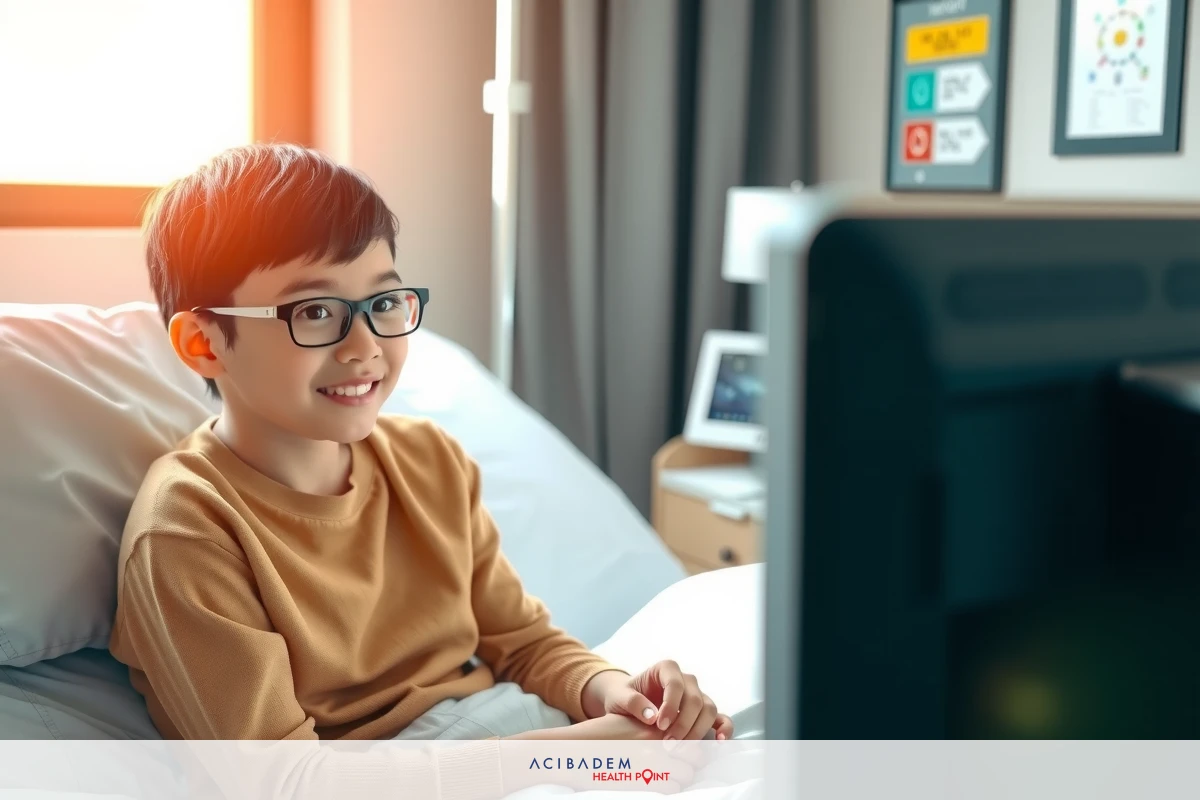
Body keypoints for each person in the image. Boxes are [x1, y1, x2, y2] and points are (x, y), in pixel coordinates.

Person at [108, 143, 731, 796]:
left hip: (519, 734)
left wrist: (621, 697)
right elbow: (284, 780)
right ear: (204, 343)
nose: (366, 346)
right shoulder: (187, 529)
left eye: (383, 303)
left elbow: (522, 644)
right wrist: (575, 756)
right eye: (315, 312)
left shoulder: (429, 460)